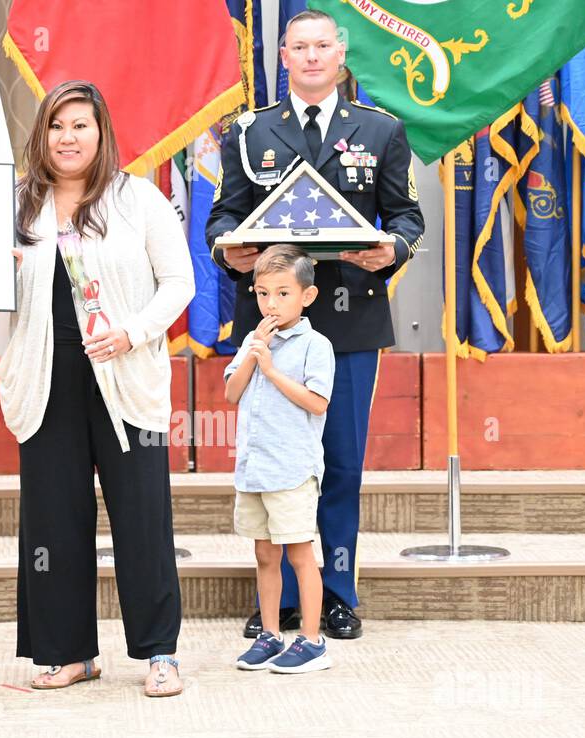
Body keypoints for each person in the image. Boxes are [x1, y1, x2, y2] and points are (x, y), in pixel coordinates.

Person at [207, 9, 425, 641]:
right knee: (275, 459)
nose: (310, 57)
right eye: (298, 47)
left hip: (351, 319)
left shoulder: (381, 130)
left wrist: (394, 250)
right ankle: (274, 603)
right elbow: (223, 218)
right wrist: (229, 249)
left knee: (341, 463)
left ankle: (335, 593)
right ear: (282, 56)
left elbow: (406, 217)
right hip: (271, 324)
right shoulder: (248, 133)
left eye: (321, 46)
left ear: (341, 51)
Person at [0, 81, 194, 698]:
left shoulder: (138, 200)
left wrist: (133, 333)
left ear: (102, 131)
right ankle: (67, 653)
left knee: (142, 517)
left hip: (124, 378)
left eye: (81, 125)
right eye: (57, 126)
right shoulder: (19, 204)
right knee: (53, 519)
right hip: (45, 378)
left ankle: (160, 652)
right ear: (42, 134)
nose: (68, 137)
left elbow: (179, 282)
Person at [224, 246, 335, 673]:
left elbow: (318, 403)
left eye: (283, 293)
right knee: (265, 555)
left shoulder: (315, 345)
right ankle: (270, 634)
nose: (271, 304)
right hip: (255, 469)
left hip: (292, 470)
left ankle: (311, 640)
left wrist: (271, 371)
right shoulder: (254, 341)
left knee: (299, 554)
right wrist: (254, 357)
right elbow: (232, 393)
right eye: (263, 293)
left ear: (307, 296)